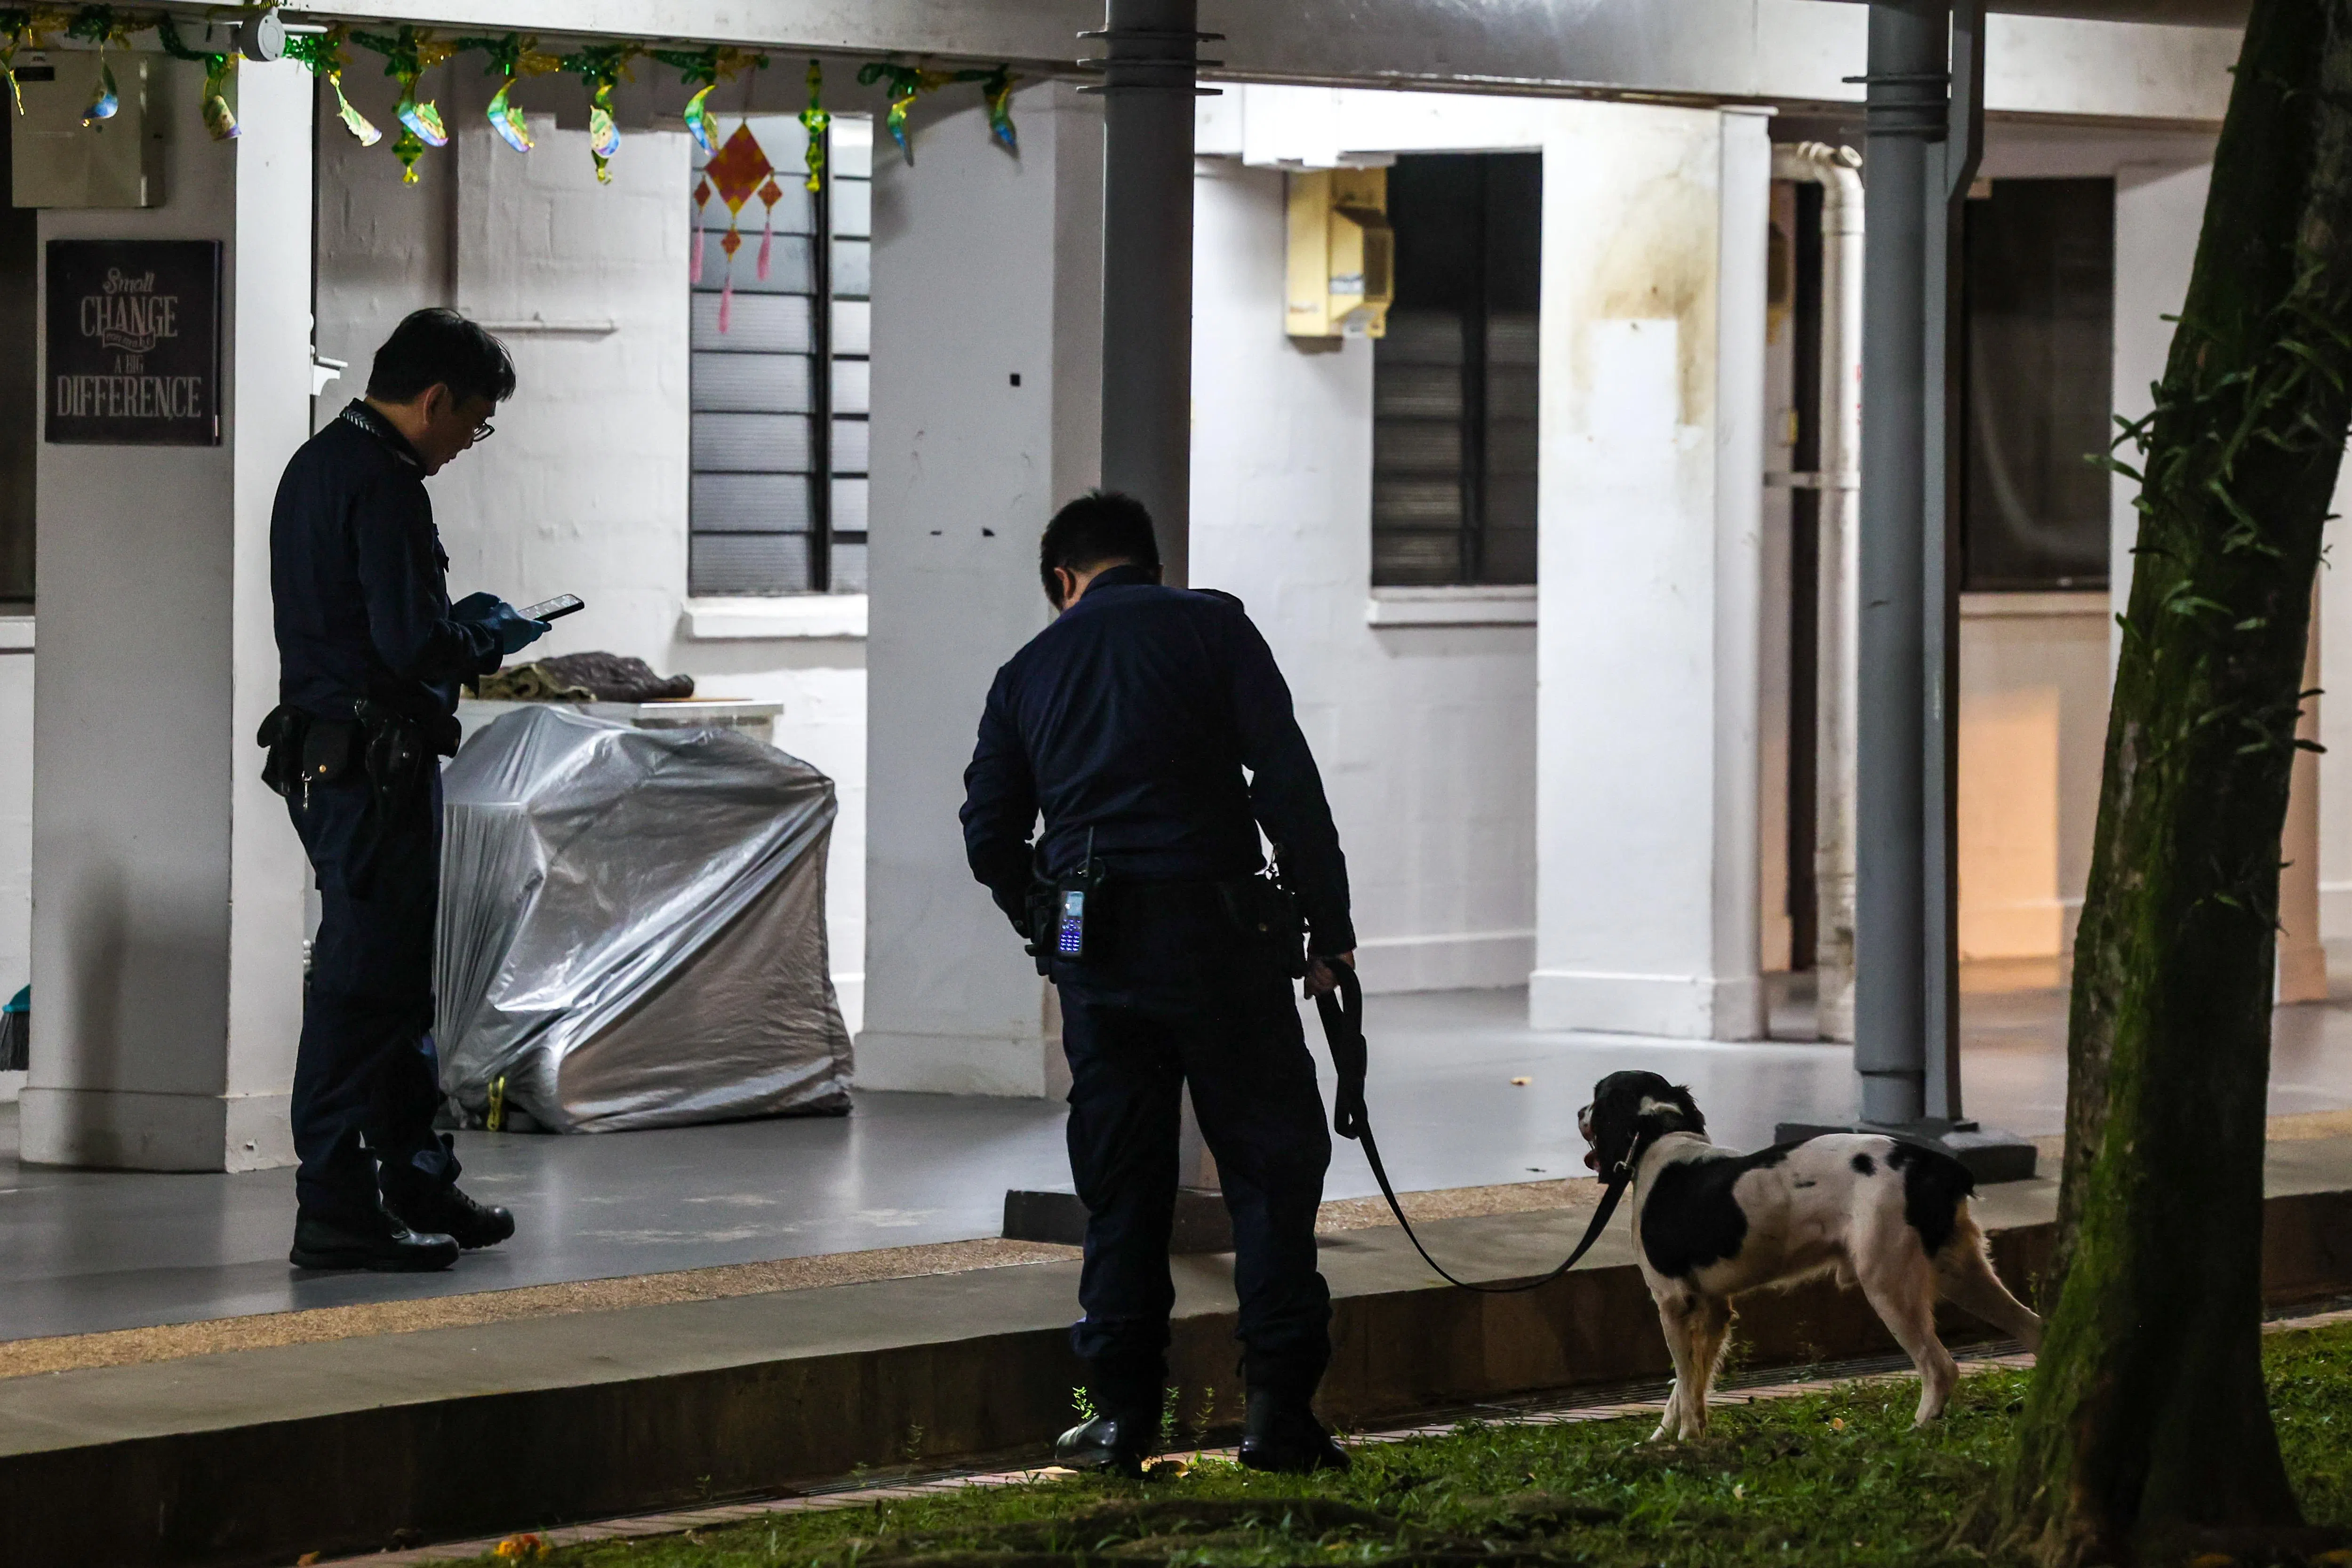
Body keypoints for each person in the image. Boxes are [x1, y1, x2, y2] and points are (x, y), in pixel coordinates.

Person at [961, 490, 1358, 1477]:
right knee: (1271, 1173)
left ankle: (1120, 1420)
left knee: (1123, 1185)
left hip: (1101, 956)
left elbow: (988, 832)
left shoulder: (1028, 670)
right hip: (1223, 940)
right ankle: (1279, 1417)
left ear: (1064, 581)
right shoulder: (1213, 628)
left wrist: (1044, 921)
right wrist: (1330, 929)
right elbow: (1287, 782)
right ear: (1151, 561)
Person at [262, 308, 551, 1272]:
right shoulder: (385, 484)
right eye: (472, 423)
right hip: (375, 769)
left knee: (390, 986)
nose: (469, 443)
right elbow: (409, 644)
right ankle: (339, 1202)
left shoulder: (316, 464)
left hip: (331, 759)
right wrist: (488, 634)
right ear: (432, 399)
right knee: (364, 991)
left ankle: (414, 1176)